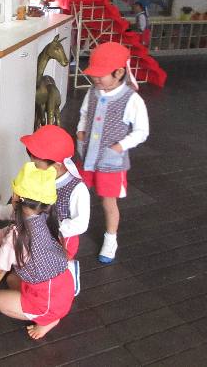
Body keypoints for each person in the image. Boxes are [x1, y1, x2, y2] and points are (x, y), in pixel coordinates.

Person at [0, 162, 76, 340]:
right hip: (62, 286)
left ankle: (48, 320)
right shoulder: (43, 216)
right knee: (10, 279)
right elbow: (8, 233)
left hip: (48, 302)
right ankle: (44, 310)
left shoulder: (20, 233)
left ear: (15, 197)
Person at [76, 42, 149, 264]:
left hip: (111, 163)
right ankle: (72, 226)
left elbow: (141, 131)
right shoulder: (92, 92)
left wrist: (119, 147)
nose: (95, 79)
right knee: (77, 192)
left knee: (108, 202)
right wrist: (80, 132)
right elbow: (84, 114)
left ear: (118, 73)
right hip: (87, 157)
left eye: (100, 75)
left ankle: (111, 239)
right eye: (93, 74)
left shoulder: (131, 99)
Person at [0, 125, 90, 261]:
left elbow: (80, 224)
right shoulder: (37, 178)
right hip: (32, 237)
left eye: (36, 165)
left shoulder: (77, 189)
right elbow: (23, 208)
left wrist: (46, 227)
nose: (32, 166)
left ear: (56, 166)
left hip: (59, 246)